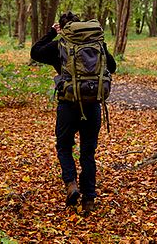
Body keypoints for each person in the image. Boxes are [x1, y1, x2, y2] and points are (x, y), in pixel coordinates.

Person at [30, 11, 117, 215]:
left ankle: (71, 184)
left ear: (62, 28)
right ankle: (89, 200)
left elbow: (35, 52)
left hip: (68, 105)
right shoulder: (97, 45)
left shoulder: (59, 45)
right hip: (93, 105)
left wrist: (52, 33)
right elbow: (112, 67)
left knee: (64, 146)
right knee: (88, 153)